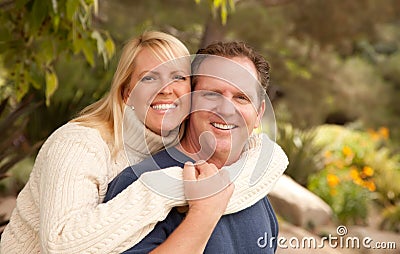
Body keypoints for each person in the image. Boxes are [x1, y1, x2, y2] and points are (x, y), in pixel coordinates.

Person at [0, 31, 286, 254]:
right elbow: (61, 244)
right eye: (149, 78)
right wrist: (186, 196)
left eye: (242, 97)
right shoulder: (83, 147)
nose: (167, 90)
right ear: (126, 93)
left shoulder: (252, 184)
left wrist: (272, 159)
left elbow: (261, 156)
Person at [105, 41, 288, 253]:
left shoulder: (254, 193)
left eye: (241, 97)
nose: (226, 109)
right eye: (212, 94)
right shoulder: (140, 183)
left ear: (258, 114)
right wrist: (202, 213)